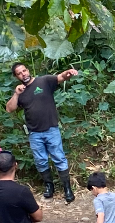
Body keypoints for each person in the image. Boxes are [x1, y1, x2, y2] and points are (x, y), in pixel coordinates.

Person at [5, 62, 79, 202]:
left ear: (28, 70)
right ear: (16, 77)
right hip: (34, 133)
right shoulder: (20, 91)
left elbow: (60, 78)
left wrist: (68, 72)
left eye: (24, 70)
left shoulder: (43, 81)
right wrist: (16, 94)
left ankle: (67, 189)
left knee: (59, 158)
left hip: (51, 129)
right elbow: (9, 109)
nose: (23, 74)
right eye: (19, 73)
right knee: (40, 161)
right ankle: (49, 186)